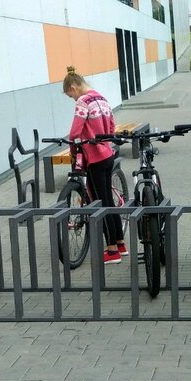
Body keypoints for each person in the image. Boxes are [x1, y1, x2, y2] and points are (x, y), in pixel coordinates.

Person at [62, 66, 125, 264]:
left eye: (69, 95)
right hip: (107, 154)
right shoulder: (102, 98)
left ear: (73, 87)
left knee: (101, 203)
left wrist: (72, 143)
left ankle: (112, 250)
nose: (72, 99)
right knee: (109, 200)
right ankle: (121, 243)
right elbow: (112, 126)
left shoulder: (83, 101)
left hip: (95, 158)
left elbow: (75, 132)